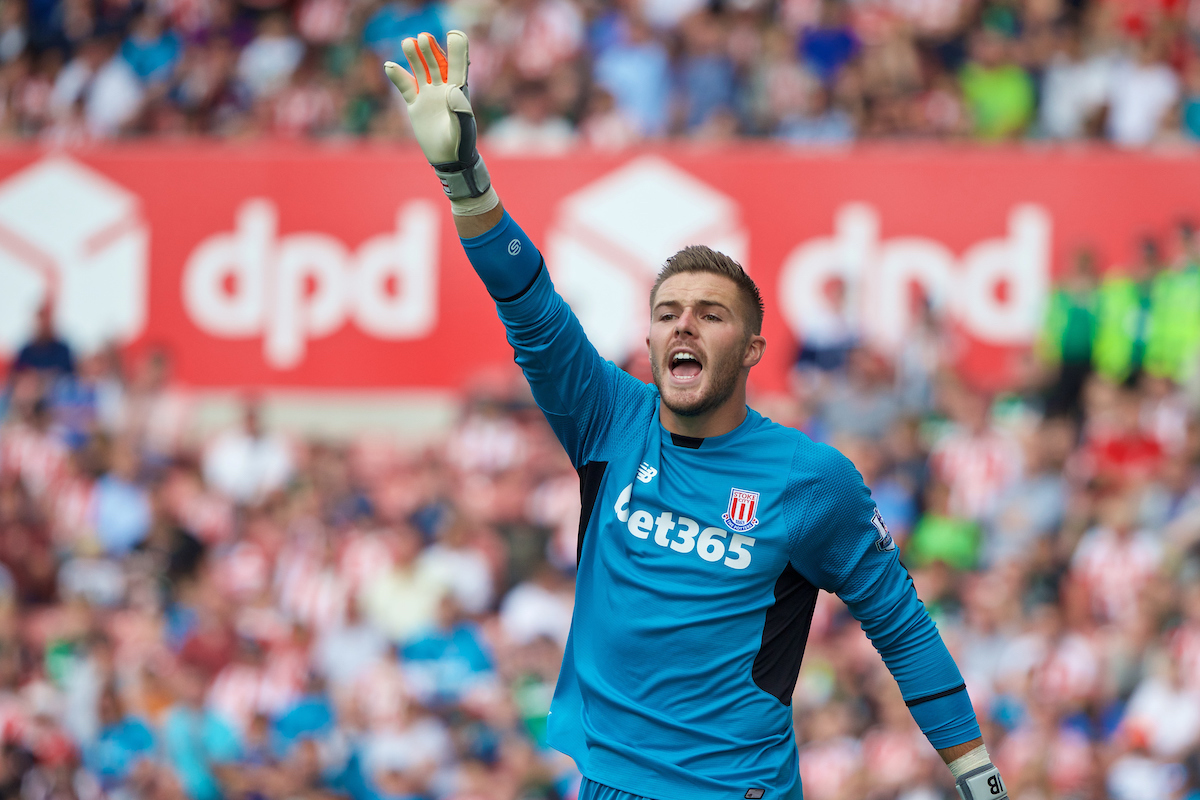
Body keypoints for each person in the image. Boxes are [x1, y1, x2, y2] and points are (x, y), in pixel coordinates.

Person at [384, 31, 1008, 800]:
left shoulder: (810, 479)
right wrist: (464, 181)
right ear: (646, 336)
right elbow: (530, 305)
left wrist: (977, 777)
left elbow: (902, 626)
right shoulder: (608, 416)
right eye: (667, 312)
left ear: (751, 350)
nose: (683, 325)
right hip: (605, 784)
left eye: (710, 315)